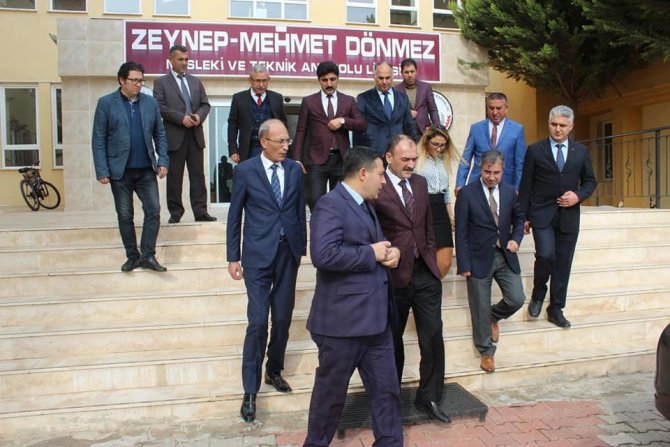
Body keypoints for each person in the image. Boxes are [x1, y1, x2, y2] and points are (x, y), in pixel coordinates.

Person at [304, 146, 403, 447]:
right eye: (381, 174)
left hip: (376, 323)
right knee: (329, 399)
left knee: (387, 393)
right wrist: (370, 253)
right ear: (363, 174)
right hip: (341, 325)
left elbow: (374, 245)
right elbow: (323, 254)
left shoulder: (367, 205)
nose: (384, 181)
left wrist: (392, 253)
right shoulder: (330, 204)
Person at [226, 119, 306, 423]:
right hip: (257, 255)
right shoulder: (245, 171)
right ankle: (250, 390)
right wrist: (233, 256)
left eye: (287, 141)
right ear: (263, 142)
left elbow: (298, 211)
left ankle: (274, 369)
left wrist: (301, 249)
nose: (286, 146)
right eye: (280, 141)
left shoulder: (294, 170)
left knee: (282, 318)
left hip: (287, 254)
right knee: (258, 322)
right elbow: (234, 215)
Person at [373, 134, 449, 423]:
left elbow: (427, 225)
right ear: (389, 158)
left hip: (425, 272)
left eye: (414, 159)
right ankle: (390, 399)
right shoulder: (377, 186)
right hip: (393, 276)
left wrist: (430, 255)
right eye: (405, 159)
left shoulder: (420, 183)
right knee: (391, 340)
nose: (410, 164)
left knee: (433, 336)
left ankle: (429, 396)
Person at [519, 105, 596, 328]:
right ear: (549, 124)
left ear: (571, 126)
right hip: (541, 213)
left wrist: (578, 196)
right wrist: (523, 217)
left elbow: (590, 181)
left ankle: (556, 309)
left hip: (569, 216)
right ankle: (538, 294)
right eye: (554, 124)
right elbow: (526, 186)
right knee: (545, 255)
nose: (558, 129)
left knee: (563, 262)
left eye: (562, 125)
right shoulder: (535, 150)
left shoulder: (580, 152)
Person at [92, 61, 169, 273]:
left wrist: (163, 160)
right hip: (120, 171)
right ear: (122, 80)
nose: (138, 84)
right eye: (134, 80)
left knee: (153, 210)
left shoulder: (150, 103)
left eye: (141, 80)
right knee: (125, 215)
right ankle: (132, 256)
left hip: (146, 170)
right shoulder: (106, 103)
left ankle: (148, 255)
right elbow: (98, 139)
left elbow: (160, 134)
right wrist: (102, 170)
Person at [455, 150, 525, 373]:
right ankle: (486, 352)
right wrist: (464, 264)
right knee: (479, 306)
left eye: (496, 173)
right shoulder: (467, 194)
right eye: (487, 172)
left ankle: (493, 316)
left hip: (505, 255)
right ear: (480, 169)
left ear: (503, 171)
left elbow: (519, 218)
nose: (492, 177)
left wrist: (516, 239)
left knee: (517, 298)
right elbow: (461, 232)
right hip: (477, 258)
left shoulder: (509, 192)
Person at [153, 45, 216, 224]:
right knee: (174, 178)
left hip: (195, 136)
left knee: (198, 176)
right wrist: (181, 118)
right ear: (171, 60)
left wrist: (198, 116)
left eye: (186, 59)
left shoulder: (196, 82)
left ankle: (201, 211)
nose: (184, 63)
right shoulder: (161, 82)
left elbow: (205, 104)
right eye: (180, 59)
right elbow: (159, 106)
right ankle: (175, 213)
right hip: (175, 136)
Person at [292, 60, 367, 211]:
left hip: (341, 160)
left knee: (340, 202)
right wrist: (297, 159)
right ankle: (319, 225)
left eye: (332, 79)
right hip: (316, 160)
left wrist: (343, 121)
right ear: (319, 80)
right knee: (315, 201)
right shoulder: (309, 101)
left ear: (338, 79)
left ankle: (336, 226)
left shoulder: (348, 101)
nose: (329, 83)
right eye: (324, 80)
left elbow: (362, 125)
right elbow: (301, 131)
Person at [455, 92, 526, 193]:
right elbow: (465, 159)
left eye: (498, 108)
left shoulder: (517, 130)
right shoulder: (476, 128)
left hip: (506, 184)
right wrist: (460, 184)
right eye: (491, 108)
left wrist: (518, 188)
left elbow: (520, 164)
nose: (495, 112)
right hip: (477, 185)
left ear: (506, 109)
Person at [415, 125, 460, 277]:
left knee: (445, 261)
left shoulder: (444, 160)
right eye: (435, 144)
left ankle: (433, 286)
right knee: (424, 255)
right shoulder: (417, 159)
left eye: (443, 145)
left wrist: (450, 215)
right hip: (423, 206)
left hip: (440, 209)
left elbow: (446, 192)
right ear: (426, 141)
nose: (439, 148)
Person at [354, 61, 419, 155]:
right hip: (374, 153)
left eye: (387, 78)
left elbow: (409, 126)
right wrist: (359, 155)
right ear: (374, 77)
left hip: (398, 153)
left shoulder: (403, 98)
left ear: (393, 77)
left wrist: (414, 149)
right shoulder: (363, 98)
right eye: (381, 78)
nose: (384, 82)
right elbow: (358, 130)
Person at [228, 64, 288, 163]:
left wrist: (283, 146)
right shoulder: (239, 98)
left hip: (272, 149)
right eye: (258, 81)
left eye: (264, 81)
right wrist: (233, 150)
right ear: (250, 80)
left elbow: (283, 125)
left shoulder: (276, 98)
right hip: (248, 150)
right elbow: (232, 126)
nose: (261, 84)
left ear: (268, 80)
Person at [395, 58, 441, 134]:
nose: (410, 75)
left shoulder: (426, 87)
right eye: (406, 72)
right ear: (401, 73)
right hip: (404, 132)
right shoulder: (396, 90)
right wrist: (406, 113)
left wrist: (437, 128)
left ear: (416, 71)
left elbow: (433, 110)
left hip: (424, 131)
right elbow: (393, 113)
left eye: (412, 71)